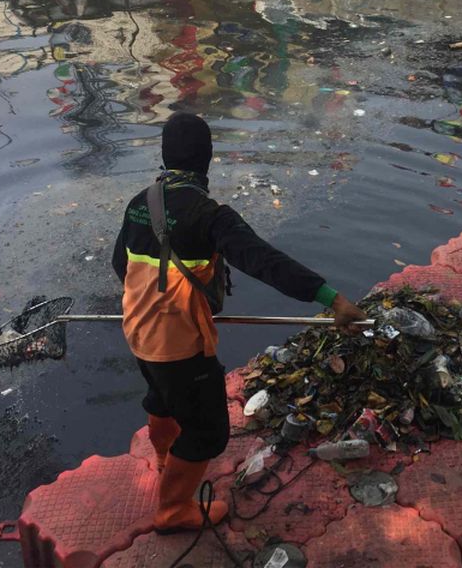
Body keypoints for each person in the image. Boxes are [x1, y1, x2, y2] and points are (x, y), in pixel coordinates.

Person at [112, 112, 367, 531]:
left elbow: (119, 263)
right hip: (179, 346)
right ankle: (173, 509)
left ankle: (164, 459)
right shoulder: (210, 215)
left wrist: (152, 301)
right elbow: (264, 262)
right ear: (207, 159)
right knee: (208, 432)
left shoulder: (140, 203)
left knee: (161, 397)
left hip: (137, 329)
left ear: (164, 155)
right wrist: (331, 299)